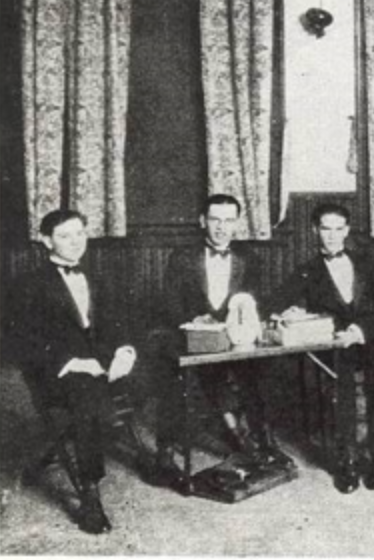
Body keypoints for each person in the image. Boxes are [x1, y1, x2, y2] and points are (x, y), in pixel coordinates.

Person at [12, 209, 138, 534]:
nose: (74, 242)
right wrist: (74, 363)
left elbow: (118, 323)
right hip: (56, 374)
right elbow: (23, 341)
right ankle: (90, 494)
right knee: (87, 397)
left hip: (101, 366)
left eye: (80, 233)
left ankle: (161, 461)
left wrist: (124, 351)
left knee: (158, 369)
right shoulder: (28, 283)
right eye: (65, 235)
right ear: (45, 240)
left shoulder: (97, 277)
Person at [153, 194, 281, 484]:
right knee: (173, 372)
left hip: (235, 336)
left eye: (228, 220)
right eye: (215, 220)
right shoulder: (182, 257)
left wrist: (240, 325)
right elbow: (170, 303)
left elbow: (255, 301)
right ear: (203, 221)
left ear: (236, 223)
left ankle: (262, 441)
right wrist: (193, 320)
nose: (221, 227)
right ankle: (166, 451)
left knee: (259, 369)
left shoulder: (249, 259)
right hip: (192, 335)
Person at [271, 203, 374, 493]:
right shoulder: (307, 271)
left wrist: (360, 330)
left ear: (347, 230)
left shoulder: (367, 263)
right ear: (315, 230)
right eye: (326, 228)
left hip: (369, 337)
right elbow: (277, 302)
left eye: (338, 228)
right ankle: (347, 461)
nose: (332, 236)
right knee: (340, 388)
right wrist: (288, 312)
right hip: (334, 345)